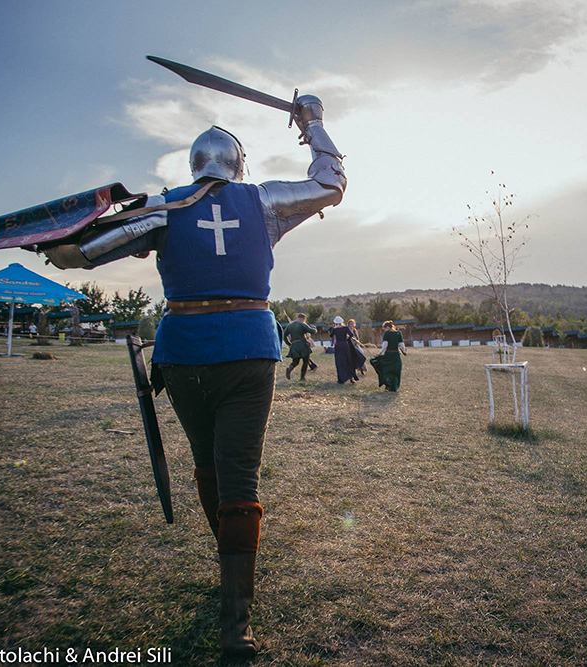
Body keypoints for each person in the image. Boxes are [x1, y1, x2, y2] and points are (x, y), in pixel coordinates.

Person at [41, 95, 346, 660]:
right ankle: (236, 622)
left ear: (194, 165)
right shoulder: (264, 201)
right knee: (238, 479)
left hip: (183, 355)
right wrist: (313, 123)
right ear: (238, 164)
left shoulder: (165, 206)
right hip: (247, 352)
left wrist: (52, 240)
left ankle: (231, 581)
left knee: (209, 465)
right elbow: (330, 184)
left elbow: (77, 254)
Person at [371, 320, 406, 391]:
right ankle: (394, 386)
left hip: (388, 355)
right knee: (395, 371)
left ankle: (388, 385)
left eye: (384, 328)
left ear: (387, 327)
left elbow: (385, 346)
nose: (384, 330)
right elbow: (401, 345)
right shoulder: (398, 333)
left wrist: (379, 353)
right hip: (396, 355)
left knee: (385, 370)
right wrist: (404, 351)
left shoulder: (387, 334)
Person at [284, 313, 317, 381]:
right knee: (305, 361)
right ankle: (302, 378)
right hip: (303, 345)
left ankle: (289, 368)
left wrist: (289, 344)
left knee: (295, 362)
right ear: (303, 318)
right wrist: (314, 328)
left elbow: (284, 336)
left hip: (294, 345)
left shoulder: (289, 325)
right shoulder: (302, 324)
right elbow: (312, 331)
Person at [329, 316, 359, 384]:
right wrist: (347, 339)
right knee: (348, 361)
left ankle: (341, 379)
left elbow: (331, 335)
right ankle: (351, 378)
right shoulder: (345, 328)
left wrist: (334, 328)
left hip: (338, 347)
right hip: (345, 346)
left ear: (335, 323)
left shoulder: (334, 329)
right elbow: (351, 334)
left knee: (340, 362)